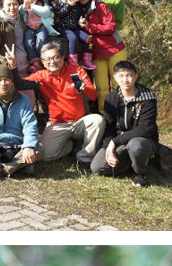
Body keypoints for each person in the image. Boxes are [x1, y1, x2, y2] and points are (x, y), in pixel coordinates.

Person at [10, 40, 104, 170]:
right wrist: (14, 67)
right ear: (42, 62)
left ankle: (85, 157)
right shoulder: (41, 76)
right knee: (47, 155)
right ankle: (70, 147)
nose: (52, 62)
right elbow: (20, 84)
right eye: (48, 59)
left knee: (97, 120)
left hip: (80, 122)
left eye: (55, 57)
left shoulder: (76, 70)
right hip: (58, 124)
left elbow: (93, 95)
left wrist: (83, 89)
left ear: (62, 57)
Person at [91, 60, 158, 186]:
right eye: (121, 76)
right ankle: (130, 162)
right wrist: (108, 149)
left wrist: (114, 142)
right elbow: (109, 126)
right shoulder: (111, 98)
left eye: (129, 75)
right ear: (115, 77)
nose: (125, 80)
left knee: (136, 145)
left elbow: (146, 129)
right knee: (97, 168)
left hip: (143, 140)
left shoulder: (148, 98)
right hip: (120, 140)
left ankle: (139, 173)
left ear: (135, 76)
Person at [78, 0, 124, 106]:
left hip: (114, 49)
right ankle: (106, 115)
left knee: (118, 83)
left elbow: (111, 27)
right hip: (97, 53)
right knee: (101, 88)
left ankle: (121, 113)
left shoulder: (100, 5)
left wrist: (90, 26)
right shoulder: (75, 9)